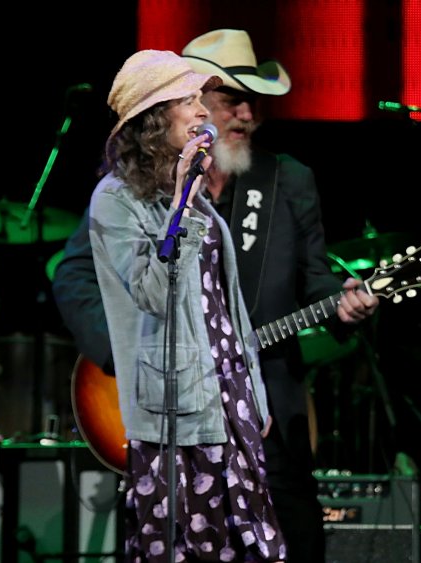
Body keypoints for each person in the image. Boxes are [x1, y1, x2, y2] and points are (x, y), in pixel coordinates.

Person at [53, 30, 379, 562]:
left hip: (254, 395)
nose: (243, 114)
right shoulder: (133, 195)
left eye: (254, 102)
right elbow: (99, 282)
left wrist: (340, 307)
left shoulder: (282, 180)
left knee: (276, 541)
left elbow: (289, 286)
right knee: (188, 541)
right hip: (172, 402)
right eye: (226, 99)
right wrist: (125, 358)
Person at [85, 48, 285, 561]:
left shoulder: (196, 198)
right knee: (189, 544)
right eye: (188, 100)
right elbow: (154, 295)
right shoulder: (117, 198)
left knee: (249, 544)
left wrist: (253, 390)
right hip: (176, 403)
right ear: (155, 118)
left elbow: (225, 307)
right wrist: (179, 204)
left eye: (201, 98)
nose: (202, 111)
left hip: (228, 391)